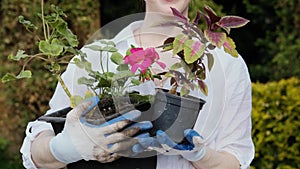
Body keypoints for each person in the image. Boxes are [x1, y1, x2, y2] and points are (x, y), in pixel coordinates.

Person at [20, 0, 255, 169]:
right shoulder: (95, 57)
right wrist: (65, 148)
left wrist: (199, 153)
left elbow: (235, 159)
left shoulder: (225, 65)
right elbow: (36, 153)